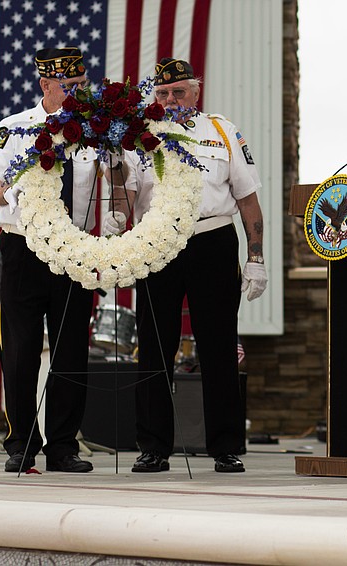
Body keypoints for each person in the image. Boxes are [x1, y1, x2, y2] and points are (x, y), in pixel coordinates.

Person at [104, 58, 267, 473]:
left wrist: (256, 259)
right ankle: (153, 447)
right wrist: (116, 213)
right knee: (156, 346)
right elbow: (126, 192)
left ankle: (225, 446)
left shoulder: (221, 131)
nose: (171, 100)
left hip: (212, 239)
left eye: (179, 92)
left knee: (217, 345)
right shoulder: (140, 136)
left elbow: (247, 199)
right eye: (162, 93)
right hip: (158, 242)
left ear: (197, 90)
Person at [0, 47, 96, 474]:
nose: (76, 92)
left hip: (73, 248)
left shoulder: (95, 131)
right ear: (45, 85)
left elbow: (114, 181)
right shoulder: (14, 128)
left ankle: (63, 447)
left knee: (70, 350)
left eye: (80, 85)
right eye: (69, 86)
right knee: (20, 349)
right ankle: (21, 444)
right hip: (22, 246)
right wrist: (14, 193)